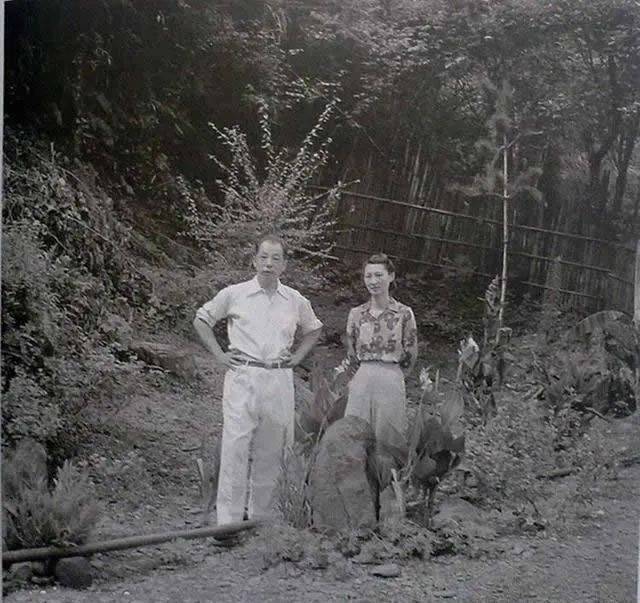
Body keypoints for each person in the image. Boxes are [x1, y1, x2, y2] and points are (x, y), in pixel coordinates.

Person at [193, 234, 323, 525]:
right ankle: (228, 522)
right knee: (235, 446)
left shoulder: (294, 299)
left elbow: (313, 329)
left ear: (284, 264)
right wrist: (219, 354)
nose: (268, 264)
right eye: (263, 257)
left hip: (278, 378)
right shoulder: (235, 293)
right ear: (254, 260)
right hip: (243, 376)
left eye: (276, 258)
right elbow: (202, 319)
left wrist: (299, 355)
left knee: (272, 448)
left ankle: (260, 517)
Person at [344, 253, 418, 456]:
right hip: (362, 377)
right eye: (368, 276)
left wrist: (395, 376)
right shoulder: (356, 314)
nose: (373, 281)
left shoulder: (404, 313)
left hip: (391, 376)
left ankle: (386, 484)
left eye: (379, 275)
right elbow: (351, 352)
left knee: (388, 440)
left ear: (391, 276)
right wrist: (357, 378)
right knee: (355, 436)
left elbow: (411, 352)